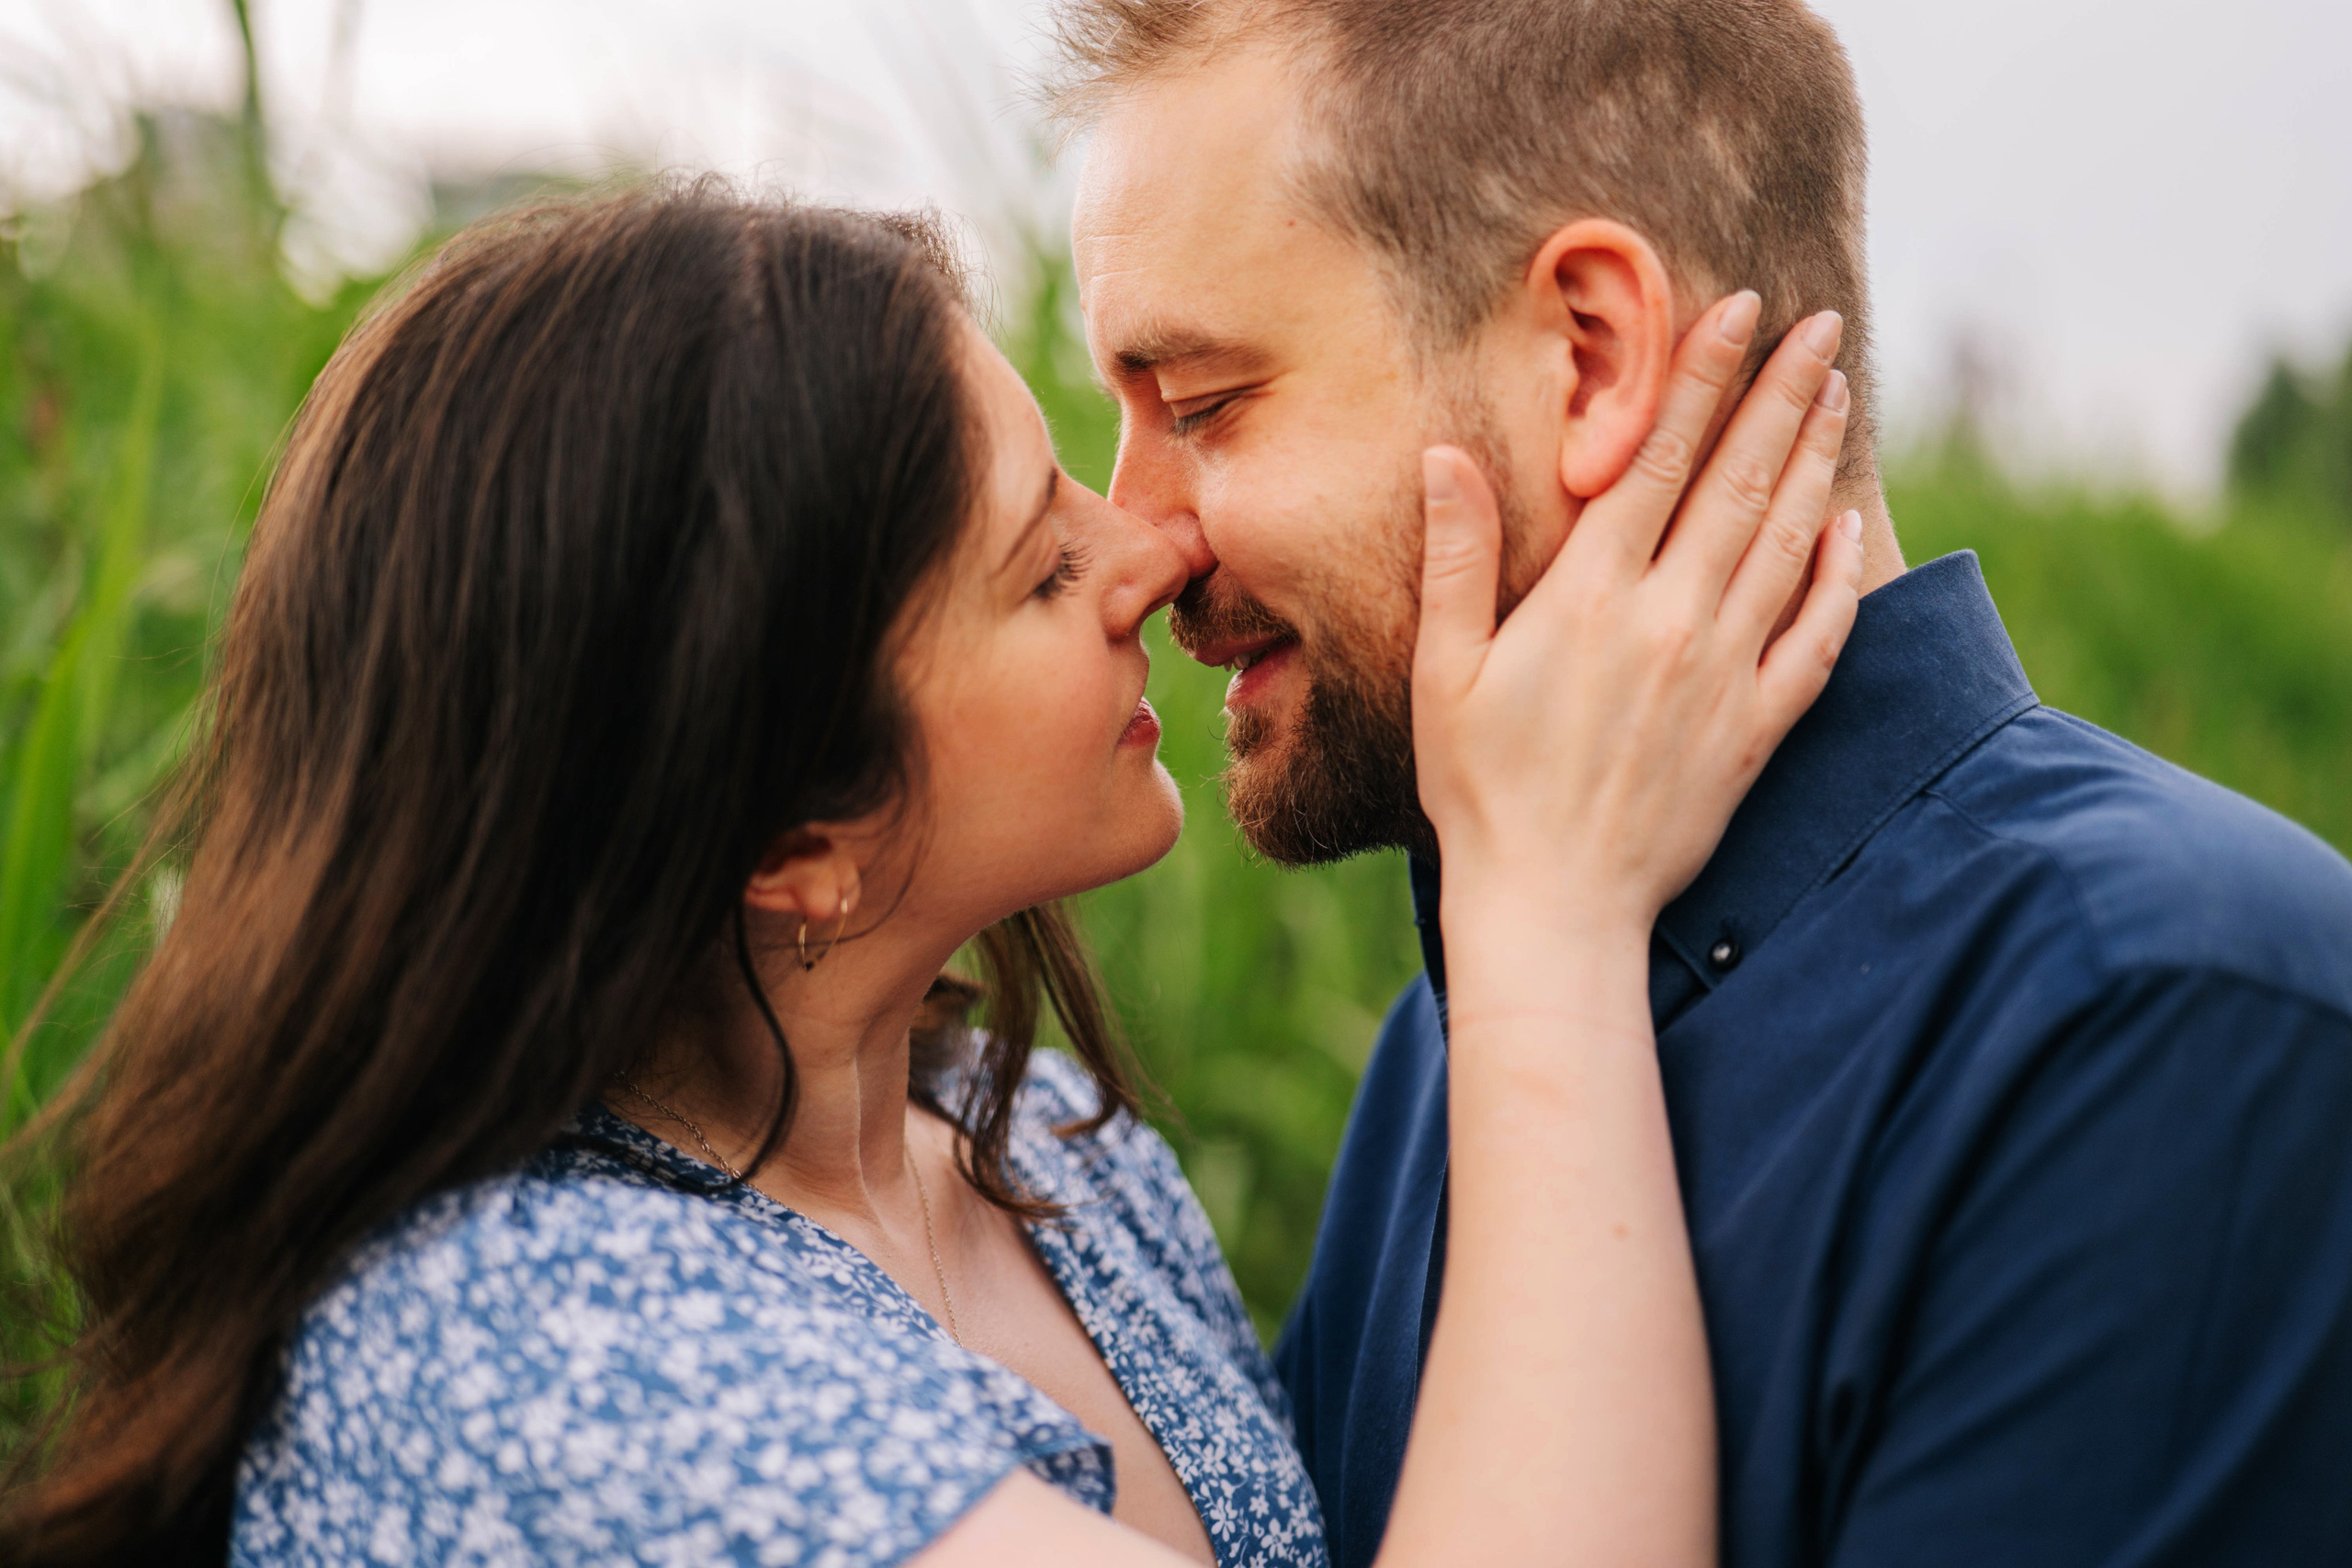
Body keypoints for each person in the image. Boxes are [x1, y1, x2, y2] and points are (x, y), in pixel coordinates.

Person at [0, 185, 1860, 1566]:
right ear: (790, 839)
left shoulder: (1042, 1150)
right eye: (1039, 568)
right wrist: (1548, 916)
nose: (1150, 552)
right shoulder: (533, 1354)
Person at [1050, 1, 2352, 1564]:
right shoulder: (1446, 1047)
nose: (1140, 538)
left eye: (1203, 406)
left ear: (1590, 358)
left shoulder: (2165, 1020)